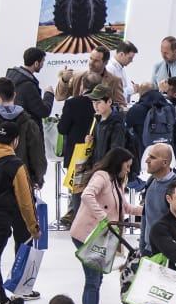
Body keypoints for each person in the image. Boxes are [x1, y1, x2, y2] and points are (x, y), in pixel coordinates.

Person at [73, 147, 141, 304]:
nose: (127, 170)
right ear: (118, 163)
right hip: (88, 235)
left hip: (103, 237)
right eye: (126, 166)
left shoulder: (115, 182)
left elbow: (124, 207)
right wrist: (103, 217)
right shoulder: (102, 177)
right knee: (93, 279)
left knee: (96, 279)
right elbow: (87, 195)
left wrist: (145, 210)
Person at [0, 121, 40, 304]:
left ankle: (5, 303)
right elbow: (26, 201)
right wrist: (33, 227)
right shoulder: (15, 165)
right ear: (15, 141)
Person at [56, 72, 100, 227]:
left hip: (76, 154)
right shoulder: (104, 104)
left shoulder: (72, 103)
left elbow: (62, 128)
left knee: (76, 189)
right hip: (97, 154)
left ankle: (75, 217)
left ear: (82, 85)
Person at [0, 77, 45, 191]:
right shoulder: (29, 123)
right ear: (14, 95)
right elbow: (37, 155)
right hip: (22, 181)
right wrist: (38, 179)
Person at [137, 143, 176, 254]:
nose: (147, 161)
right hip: (149, 252)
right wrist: (142, 249)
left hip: (166, 255)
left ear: (165, 163)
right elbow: (145, 218)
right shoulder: (150, 182)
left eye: (153, 157)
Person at [6, 48, 53, 139]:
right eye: (42, 62)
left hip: (15, 131)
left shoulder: (11, 78)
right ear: (36, 63)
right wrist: (49, 94)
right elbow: (43, 111)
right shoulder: (28, 86)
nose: (43, 65)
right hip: (29, 134)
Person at [87, 85, 134, 174]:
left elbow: (116, 152)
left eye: (98, 102)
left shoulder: (117, 124)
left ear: (109, 102)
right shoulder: (97, 120)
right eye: (93, 102)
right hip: (97, 168)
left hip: (109, 171)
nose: (95, 106)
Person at [56, 46, 125, 107]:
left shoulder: (115, 81)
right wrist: (64, 80)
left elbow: (121, 105)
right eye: (91, 58)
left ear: (105, 62)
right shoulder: (78, 77)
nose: (91, 63)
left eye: (96, 61)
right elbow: (59, 97)